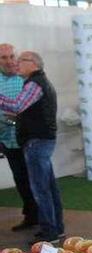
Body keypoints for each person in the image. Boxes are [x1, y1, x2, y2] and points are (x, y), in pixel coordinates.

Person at [0, 51, 63, 242]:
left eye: (20, 60)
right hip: (41, 140)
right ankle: (56, 228)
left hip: (37, 142)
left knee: (41, 189)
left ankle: (49, 232)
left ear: (33, 64)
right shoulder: (38, 82)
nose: (16, 63)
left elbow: (18, 106)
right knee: (49, 187)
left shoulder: (34, 83)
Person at [0, 43, 38, 231]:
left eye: (11, 57)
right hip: (7, 139)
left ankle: (43, 218)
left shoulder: (25, 79)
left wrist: (14, 116)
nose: (8, 61)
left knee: (35, 179)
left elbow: (29, 108)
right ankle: (30, 216)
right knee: (21, 179)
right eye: (3, 58)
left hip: (29, 138)